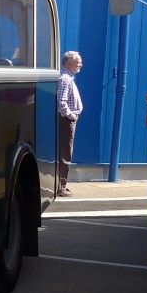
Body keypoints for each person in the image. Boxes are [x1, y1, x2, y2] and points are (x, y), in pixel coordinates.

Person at [57, 50, 83, 196]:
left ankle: (62, 184)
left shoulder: (68, 78)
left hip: (68, 120)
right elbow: (61, 102)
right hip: (67, 121)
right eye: (78, 62)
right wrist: (71, 115)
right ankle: (61, 186)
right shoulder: (65, 79)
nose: (81, 65)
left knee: (66, 152)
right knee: (65, 152)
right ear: (69, 63)